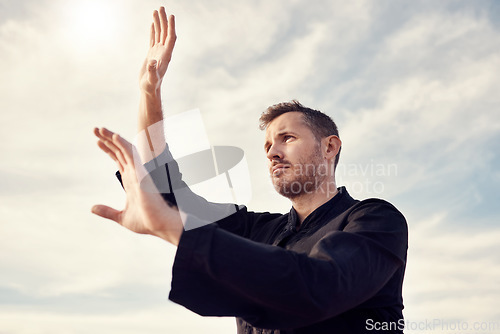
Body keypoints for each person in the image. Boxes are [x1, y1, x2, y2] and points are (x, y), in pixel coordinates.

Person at [92, 7, 408, 334]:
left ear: (329, 147)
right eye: (268, 145)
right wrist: (149, 92)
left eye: (287, 138)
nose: (273, 151)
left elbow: (318, 287)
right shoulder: (256, 230)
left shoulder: (376, 221)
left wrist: (174, 227)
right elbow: (170, 198)